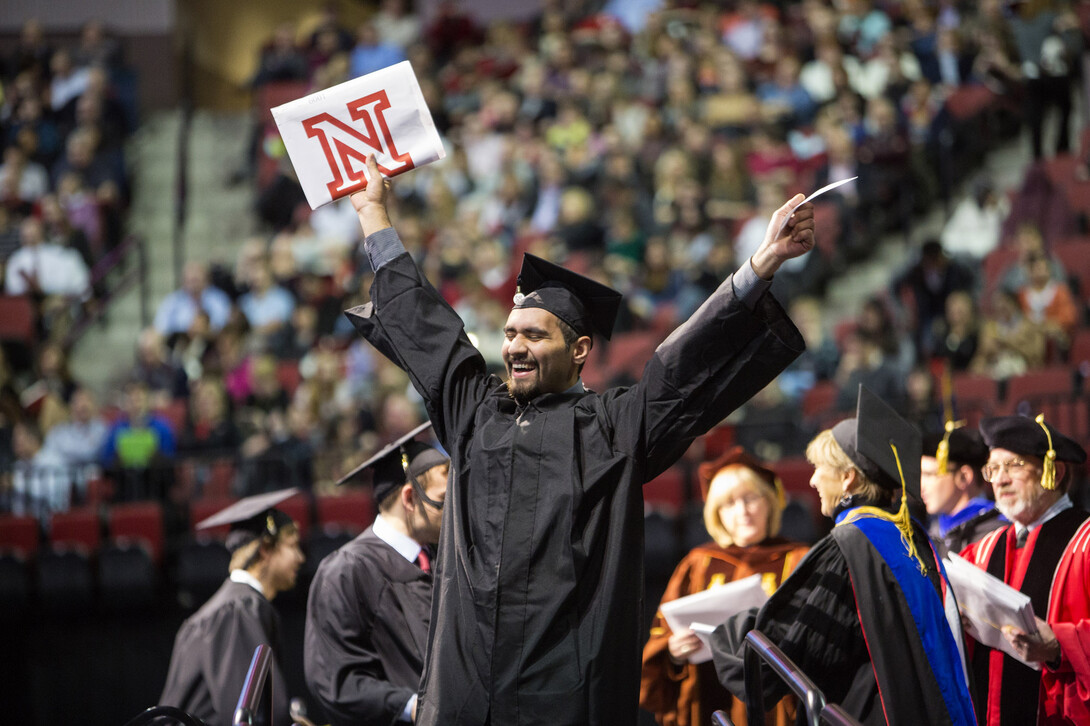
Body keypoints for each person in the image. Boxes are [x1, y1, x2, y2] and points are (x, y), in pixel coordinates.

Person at [345, 154, 813, 725]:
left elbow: (682, 369)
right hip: (466, 694)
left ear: (580, 350)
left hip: (564, 700)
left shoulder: (613, 428)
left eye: (534, 336)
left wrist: (761, 265)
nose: (514, 346)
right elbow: (430, 334)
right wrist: (373, 214)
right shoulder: (475, 415)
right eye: (510, 334)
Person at [709, 386, 976, 725]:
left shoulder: (849, 544)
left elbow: (792, 651)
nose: (813, 479)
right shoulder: (909, 536)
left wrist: (728, 633)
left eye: (820, 468)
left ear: (848, 478)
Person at [639, 447, 811, 726]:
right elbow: (660, 643)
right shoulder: (697, 563)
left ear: (769, 502)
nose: (742, 511)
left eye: (751, 498)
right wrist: (674, 653)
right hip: (710, 697)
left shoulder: (798, 559)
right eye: (729, 504)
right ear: (716, 514)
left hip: (777, 703)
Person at [305, 423, 450, 726]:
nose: (454, 510)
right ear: (410, 499)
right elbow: (339, 682)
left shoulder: (440, 557)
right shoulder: (347, 571)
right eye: (444, 499)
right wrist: (414, 706)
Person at [959, 414, 1089, 726]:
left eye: (1014, 466)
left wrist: (1059, 645)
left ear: (1053, 472)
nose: (1000, 480)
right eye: (993, 469)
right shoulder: (981, 551)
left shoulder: (1084, 543)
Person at [159, 489, 306, 726]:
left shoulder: (230, 606)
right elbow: (248, 715)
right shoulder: (238, 610)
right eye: (292, 546)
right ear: (266, 550)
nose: (300, 557)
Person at [920, 424, 1004, 553]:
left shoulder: (996, 533)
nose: (921, 485)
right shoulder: (934, 531)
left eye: (930, 475)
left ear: (964, 477)